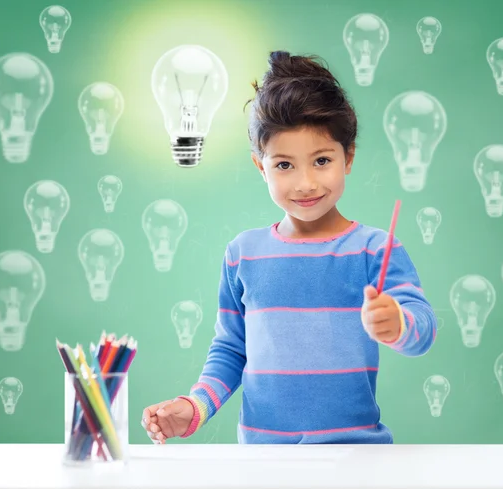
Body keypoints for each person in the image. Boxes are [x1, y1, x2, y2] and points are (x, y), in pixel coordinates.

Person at [141, 50, 437, 444]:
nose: (305, 183)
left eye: (321, 160)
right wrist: (196, 407)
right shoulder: (243, 253)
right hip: (263, 461)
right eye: (284, 165)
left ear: (348, 157)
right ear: (259, 166)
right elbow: (231, 349)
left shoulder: (374, 249)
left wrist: (398, 323)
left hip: (356, 456)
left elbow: (423, 329)